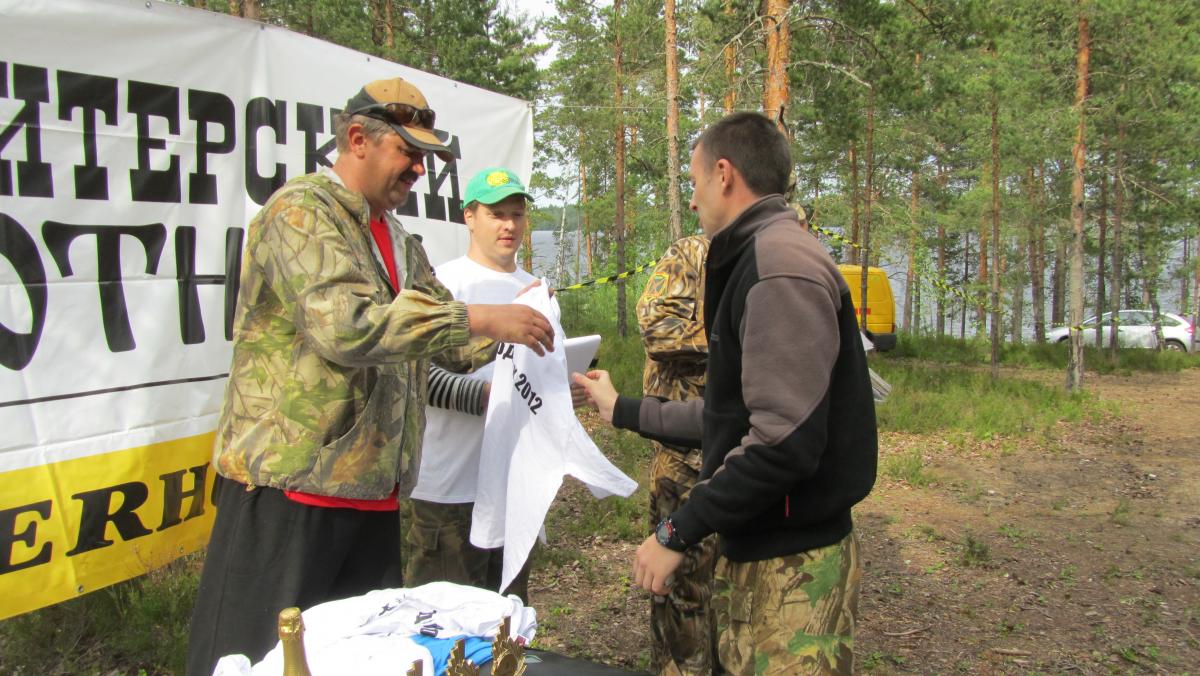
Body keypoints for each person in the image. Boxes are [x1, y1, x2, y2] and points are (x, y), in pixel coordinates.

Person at [186, 78, 554, 675]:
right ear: (358, 139)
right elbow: (347, 326)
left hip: (373, 494)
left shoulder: (399, 240)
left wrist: (530, 332)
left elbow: (447, 340)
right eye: (408, 152)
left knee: (363, 662)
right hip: (293, 491)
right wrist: (479, 317)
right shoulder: (301, 212)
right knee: (262, 660)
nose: (419, 169)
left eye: (425, 157)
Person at [574, 112, 878, 675]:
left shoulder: (778, 268)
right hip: (764, 554)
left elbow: (781, 443)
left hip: (791, 571)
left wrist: (676, 531)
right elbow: (732, 417)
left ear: (723, 173)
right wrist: (623, 409)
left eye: (693, 183)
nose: (692, 201)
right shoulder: (754, 256)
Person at [404, 167, 539, 601]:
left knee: (509, 617)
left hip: (514, 487)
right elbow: (415, 376)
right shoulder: (443, 285)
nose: (509, 225)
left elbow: (540, 371)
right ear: (469, 217)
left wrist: (565, 389)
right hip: (449, 488)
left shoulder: (534, 289)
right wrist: (484, 396)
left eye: (516, 214)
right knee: (445, 620)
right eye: (496, 214)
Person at [634, 234, 719, 675]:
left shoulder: (782, 250)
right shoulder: (694, 253)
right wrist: (739, 340)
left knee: (725, 587)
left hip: (749, 458)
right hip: (684, 458)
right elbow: (657, 329)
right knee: (678, 587)